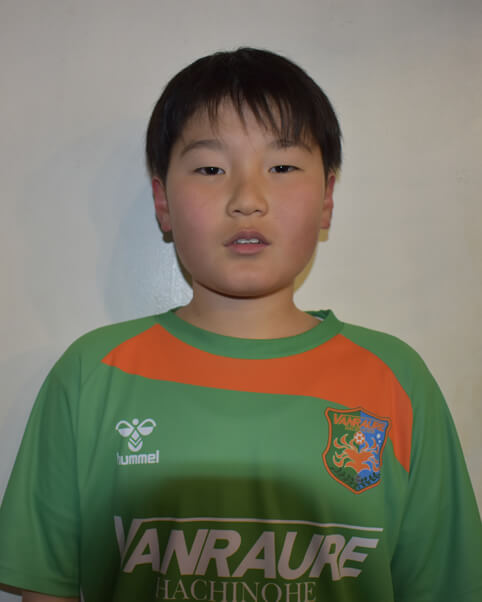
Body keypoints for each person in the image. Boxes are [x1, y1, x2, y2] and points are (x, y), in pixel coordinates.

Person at [0, 47, 480, 602]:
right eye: (211, 169)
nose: (247, 200)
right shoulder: (92, 375)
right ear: (162, 200)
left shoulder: (395, 379)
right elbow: (47, 588)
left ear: (327, 197)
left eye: (282, 167)